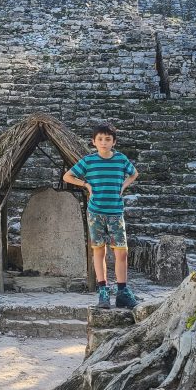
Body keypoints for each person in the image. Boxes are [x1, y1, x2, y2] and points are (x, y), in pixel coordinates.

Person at [63, 122, 139, 309]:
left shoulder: (121, 159)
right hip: (96, 212)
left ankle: (122, 291)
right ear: (94, 141)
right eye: (100, 139)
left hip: (115, 212)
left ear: (114, 142)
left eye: (108, 139)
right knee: (99, 251)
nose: (104, 142)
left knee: (122, 252)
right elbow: (67, 176)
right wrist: (87, 185)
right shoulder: (89, 161)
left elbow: (134, 173)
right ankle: (103, 290)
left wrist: (123, 186)